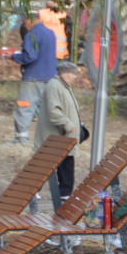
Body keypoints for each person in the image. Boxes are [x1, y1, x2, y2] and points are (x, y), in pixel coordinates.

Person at [34, 60, 82, 201]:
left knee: (66, 163)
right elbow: (54, 111)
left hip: (64, 135)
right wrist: (68, 124)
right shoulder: (54, 86)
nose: (75, 77)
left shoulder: (64, 86)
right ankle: (34, 190)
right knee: (47, 163)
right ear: (64, 73)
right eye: (73, 74)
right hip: (55, 135)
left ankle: (65, 193)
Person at [10, 11, 58, 145]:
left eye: (24, 22)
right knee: (45, 110)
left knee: (24, 107)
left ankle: (21, 138)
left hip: (33, 77)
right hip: (50, 76)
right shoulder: (50, 33)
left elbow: (29, 57)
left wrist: (13, 56)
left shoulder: (32, 35)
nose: (24, 25)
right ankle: (49, 139)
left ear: (30, 20)